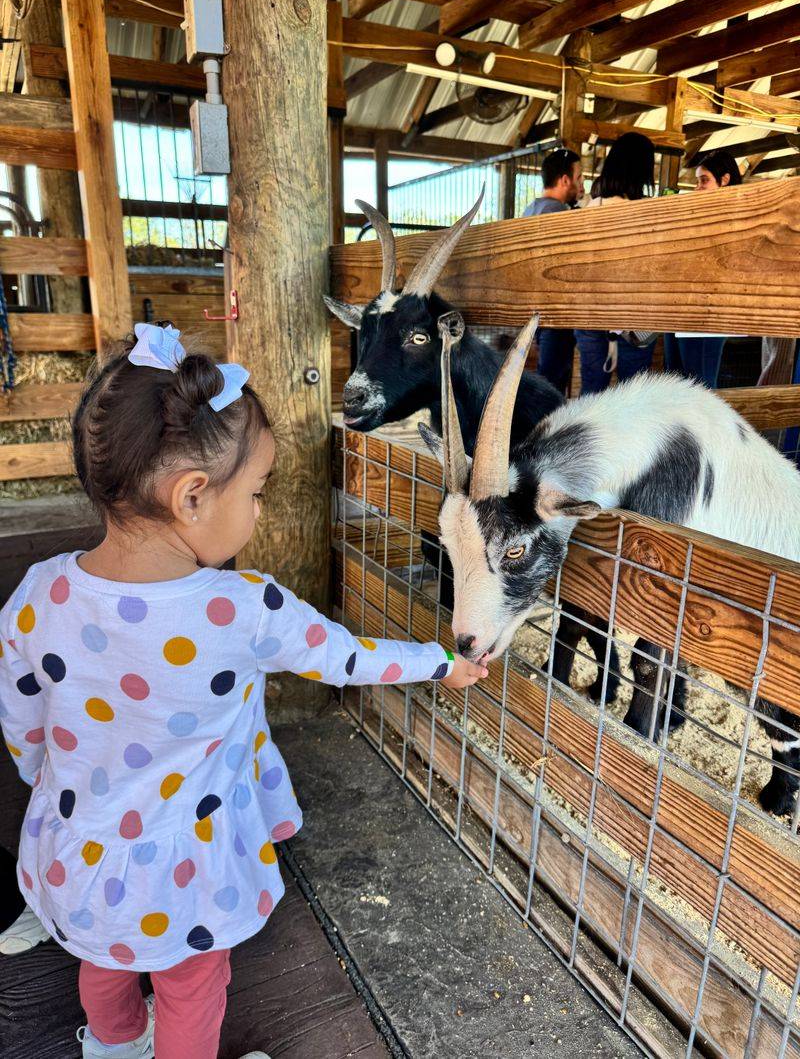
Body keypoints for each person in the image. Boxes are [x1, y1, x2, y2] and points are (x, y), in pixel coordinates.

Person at [0, 323, 487, 1059]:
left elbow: (24, 723)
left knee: (105, 962)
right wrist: (438, 659)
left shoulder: (39, 595)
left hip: (81, 855)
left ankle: (115, 1046)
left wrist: (49, 781)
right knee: (193, 985)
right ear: (192, 495)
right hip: (182, 873)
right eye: (256, 492)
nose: (259, 511)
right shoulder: (240, 608)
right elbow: (347, 657)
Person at [575, 132, 657, 393]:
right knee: (632, 397)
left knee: (592, 394)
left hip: (590, 316)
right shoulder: (650, 214)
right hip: (635, 317)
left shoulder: (590, 208)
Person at [670, 149, 744, 387]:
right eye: (698, 181)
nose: (698, 188)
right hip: (682, 307)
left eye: (704, 181)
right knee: (677, 382)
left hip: (707, 312)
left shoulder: (736, 218)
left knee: (699, 385)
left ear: (725, 180)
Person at [522, 148, 585, 394]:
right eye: (579, 177)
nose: (581, 184)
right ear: (565, 179)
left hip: (534, 309)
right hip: (556, 311)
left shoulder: (531, 210)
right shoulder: (559, 213)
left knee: (547, 373)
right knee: (553, 379)